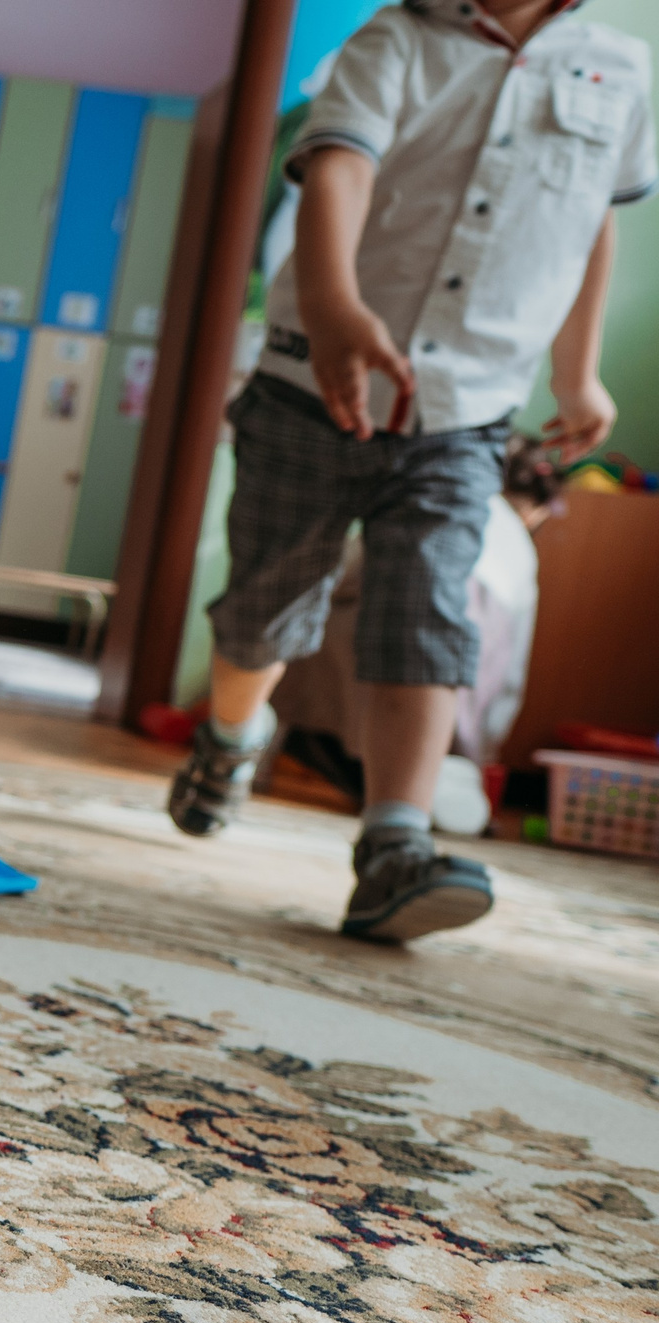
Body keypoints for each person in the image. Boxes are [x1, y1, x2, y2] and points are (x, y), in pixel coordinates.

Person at [167, 0, 652, 940]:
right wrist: (336, 306)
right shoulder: (393, 41)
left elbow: (594, 220)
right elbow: (337, 172)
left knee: (430, 609)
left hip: (466, 413)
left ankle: (394, 845)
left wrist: (578, 371)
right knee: (267, 607)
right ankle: (230, 738)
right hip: (315, 381)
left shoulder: (618, 70)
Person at [272, 434, 562, 827]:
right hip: (461, 680)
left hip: (363, 654)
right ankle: (432, 782)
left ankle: (312, 755)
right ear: (537, 508)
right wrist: (485, 744)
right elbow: (514, 660)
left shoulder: (430, 499)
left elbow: (344, 574)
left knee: (328, 630)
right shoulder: (519, 548)